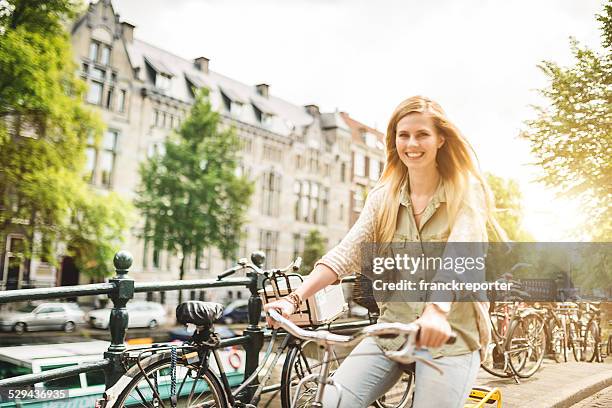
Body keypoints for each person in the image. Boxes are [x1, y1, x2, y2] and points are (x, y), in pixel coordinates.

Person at [264, 96, 504, 408]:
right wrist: (293, 298)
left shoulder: (464, 191)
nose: (412, 144)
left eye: (422, 135)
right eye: (403, 135)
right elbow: (346, 253)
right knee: (332, 401)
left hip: (449, 337)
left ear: (440, 139)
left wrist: (436, 311)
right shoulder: (383, 198)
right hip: (393, 331)